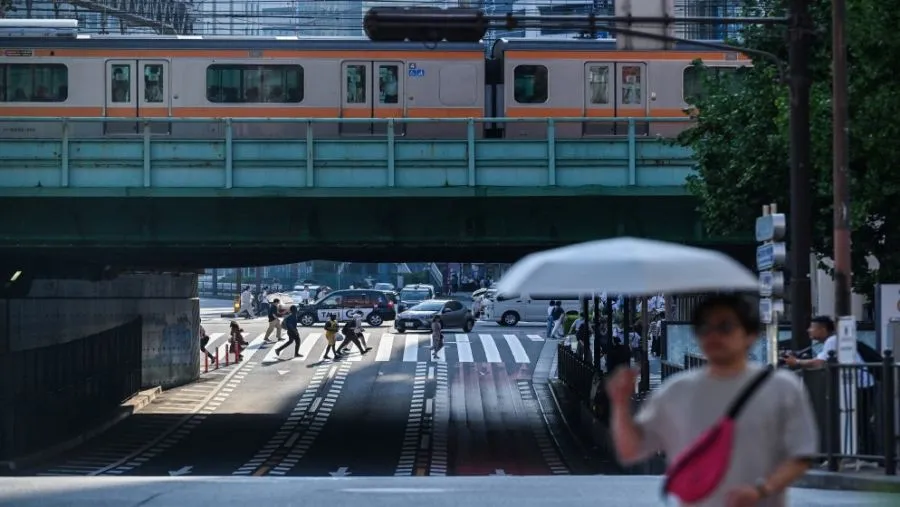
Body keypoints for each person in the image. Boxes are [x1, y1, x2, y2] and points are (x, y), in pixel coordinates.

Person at [607, 294, 818, 507]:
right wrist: (620, 403)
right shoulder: (675, 390)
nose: (713, 335)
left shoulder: (782, 387)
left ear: (751, 334)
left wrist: (762, 490)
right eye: (704, 328)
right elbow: (631, 450)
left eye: (725, 327)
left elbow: (800, 455)